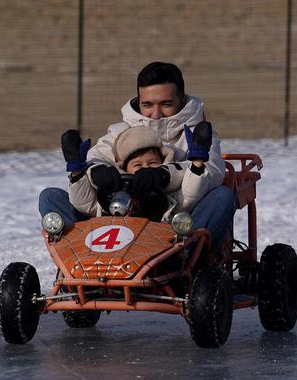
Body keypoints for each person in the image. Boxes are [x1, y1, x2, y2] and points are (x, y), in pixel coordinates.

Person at [39, 61, 234, 249]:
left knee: (222, 196)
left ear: (181, 100)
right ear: (138, 101)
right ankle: (78, 256)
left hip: (175, 222)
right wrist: (97, 171)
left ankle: (187, 259)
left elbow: (213, 171)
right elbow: (95, 157)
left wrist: (163, 175)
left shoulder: (197, 134)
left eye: (165, 104)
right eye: (147, 104)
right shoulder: (121, 131)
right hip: (115, 216)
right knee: (50, 196)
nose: (155, 114)